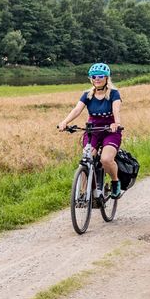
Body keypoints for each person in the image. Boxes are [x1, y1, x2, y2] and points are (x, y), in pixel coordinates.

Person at [56, 62, 125, 198]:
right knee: (87, 158)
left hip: (110, 131)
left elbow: (116, 110)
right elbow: (76, 110)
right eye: (93, 77)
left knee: (106, 159)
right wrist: (65, 122)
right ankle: (85, 192)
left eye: (100, 76)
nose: (97, 79)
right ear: (91, 79)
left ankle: (115, 182)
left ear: (106, 78)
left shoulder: (114, 94)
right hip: (92, 131)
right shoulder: (87, 95)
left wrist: (116, 123)